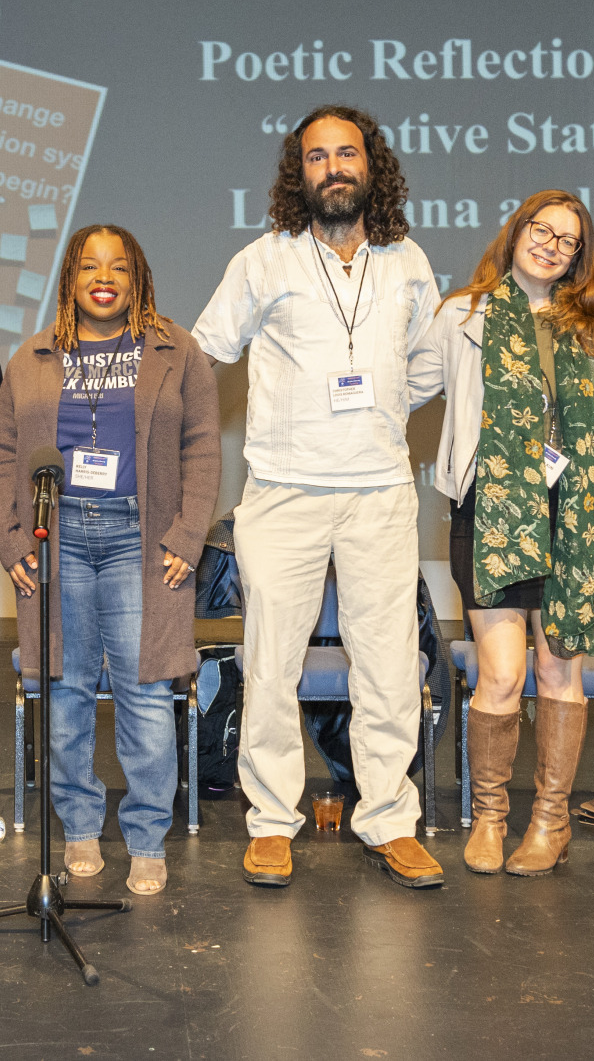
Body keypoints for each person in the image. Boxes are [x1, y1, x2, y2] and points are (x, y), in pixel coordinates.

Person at [193, 103, 446, 890]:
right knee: (271, 665)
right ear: (296, 173)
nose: (333, 167)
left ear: (372, 165)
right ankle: (271, 822)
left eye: (347, 153)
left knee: (389, 664)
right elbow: (205, 352)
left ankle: (389, 820)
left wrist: (378, 413)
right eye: (316, 156)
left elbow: (430, 364)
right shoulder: (262, 260)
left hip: (378, 491)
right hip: (284, 491)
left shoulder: (408, 260)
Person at [0, 225, 220, 897]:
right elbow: (5, 453)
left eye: (118, 264)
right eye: (89, 264)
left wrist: (187, 535)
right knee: (65, 690)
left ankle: (146, 835)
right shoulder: (32, 355)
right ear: (70, 278)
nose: (104, 275)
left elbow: (203, 446)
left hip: (138, 537)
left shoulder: (176, 351)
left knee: (145, 692)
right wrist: (9, 539)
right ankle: (81, 825)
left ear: (138, 275)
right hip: (53, 536)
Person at [414, 190, 594, 876]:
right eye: (541, 229)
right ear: (516, 232)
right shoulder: (464, 313)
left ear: (580, 254)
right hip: (490, 514)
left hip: (574, 516)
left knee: (556, 670)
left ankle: (550, 820)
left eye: (567, 239)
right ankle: (488, 816)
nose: (551, 243)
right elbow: (408, 385)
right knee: (503, 674)